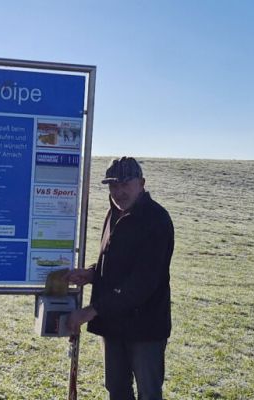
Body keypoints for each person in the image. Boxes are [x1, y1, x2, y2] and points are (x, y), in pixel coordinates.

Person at [65, 156, 174, 400]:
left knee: (149, 393)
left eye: (125, 184)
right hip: (113, 324)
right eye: (114, 185)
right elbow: (117, 264)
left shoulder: (156, 220)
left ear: (141, 183)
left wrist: (91, 311)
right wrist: (92, 273)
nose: (119, 191)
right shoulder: (113, 214)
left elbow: (143, 282)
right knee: (116, 389)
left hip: (145, 327)